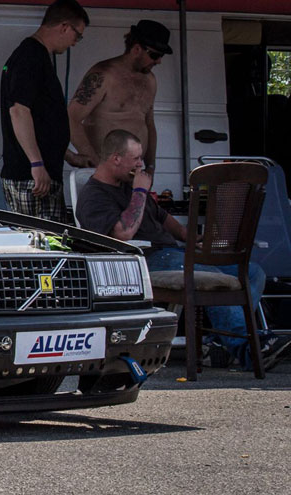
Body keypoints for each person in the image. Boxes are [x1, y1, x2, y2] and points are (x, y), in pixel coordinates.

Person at [76, 128, 285, 365]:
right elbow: (123, 233)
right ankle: (248, 348)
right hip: (144, 260)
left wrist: (190, 237)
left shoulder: (127, 185)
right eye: (135, 159)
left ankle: (220, 343)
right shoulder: (94, 195)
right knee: (210, 276)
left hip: (171, 252)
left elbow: (163, 217)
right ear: (115, 158)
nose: (141, 164)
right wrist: (141, 191)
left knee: (252, 272)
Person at [0, 0, 89, 221]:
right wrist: (37, 164)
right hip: (31, 176)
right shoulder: (31, 56)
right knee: (43, 243)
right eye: (77, 35)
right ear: (64, 27)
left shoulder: (36, 57)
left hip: (38, 172)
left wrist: (67, 155)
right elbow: (19, 111)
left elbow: (42, 120)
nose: (75, 43)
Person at [68, 19, 172, 171]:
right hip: (104, 171)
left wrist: (150, 166)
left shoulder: (150, 80)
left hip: (132, 172)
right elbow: (71, 118)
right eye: (155, 55)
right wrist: (95, 163)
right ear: (136, 49)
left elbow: (149, 124)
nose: (159, 61)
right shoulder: (104, 74)